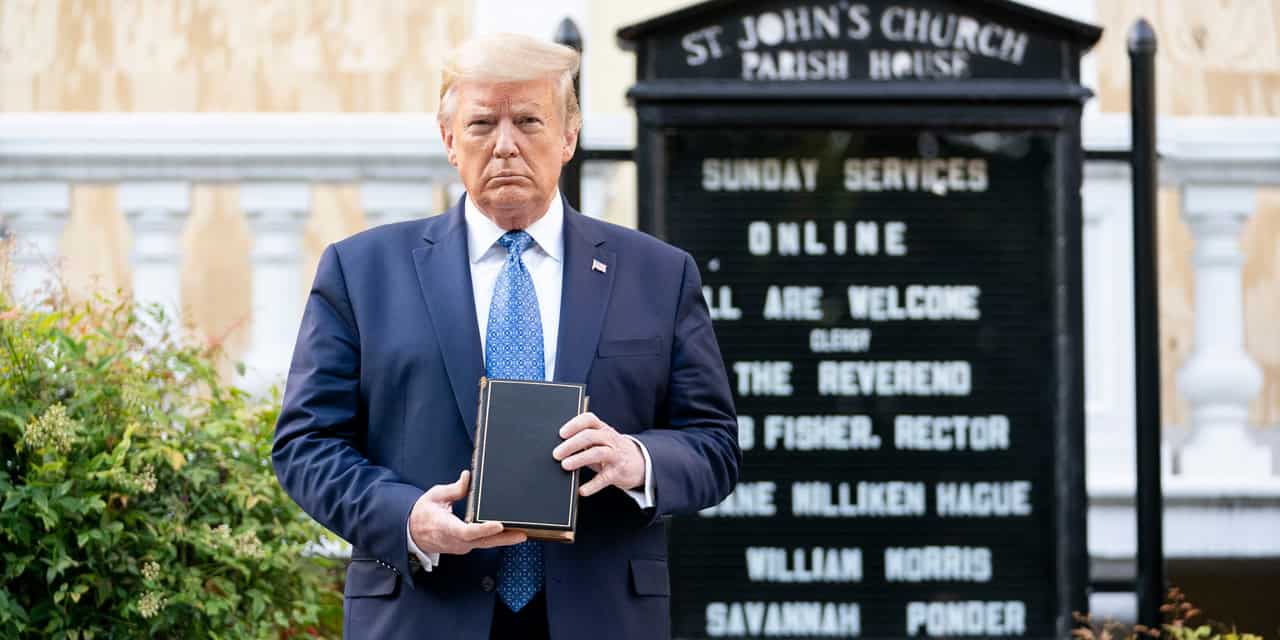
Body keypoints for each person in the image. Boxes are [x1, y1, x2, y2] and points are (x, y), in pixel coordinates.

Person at [272, 33, 740, 640]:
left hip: (600, 616)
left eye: (527, 121)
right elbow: (305, 445)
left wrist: (638, 460)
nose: (505, 146)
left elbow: (714, 445)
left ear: (569, 136)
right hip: (424, 610)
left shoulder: (657, 274)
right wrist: (407, 518)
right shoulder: (361, 273)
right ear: (448, 140)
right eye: (481, 124)